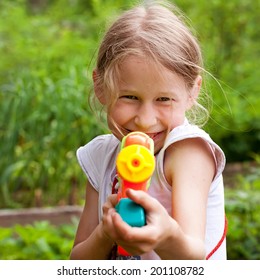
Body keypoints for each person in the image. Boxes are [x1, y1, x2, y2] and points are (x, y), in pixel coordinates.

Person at [70, 0, 227, 260]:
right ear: (100, 87)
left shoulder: (187, 151)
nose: (144, 120)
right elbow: (77, 264)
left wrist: (165, 237)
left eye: (164, 100)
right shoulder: (100, 157)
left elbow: (194, 259)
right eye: (130, 97)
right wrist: (106, 233)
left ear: (192, 92)